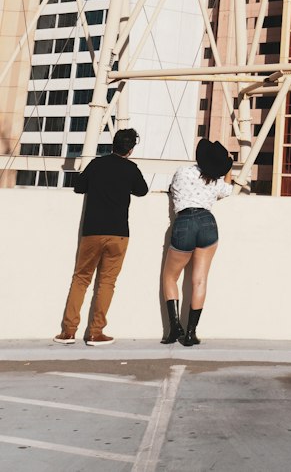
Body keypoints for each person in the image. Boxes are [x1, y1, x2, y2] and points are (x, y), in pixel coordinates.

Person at [53, 127, 148, 347]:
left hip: (92, 231)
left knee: (81, 279)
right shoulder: (131, 168)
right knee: (107, 283)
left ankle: (68, 332)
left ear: (112, 144)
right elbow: (142, 191)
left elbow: (78, 187)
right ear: (131, 149)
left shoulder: (96, 164)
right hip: (119, 234)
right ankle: (95, 333)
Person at [161, 138, 234, 348]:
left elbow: (173, 191)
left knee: (170, 277)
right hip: (208, 223)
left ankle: (175, 328)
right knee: (200, 280)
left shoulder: (183, 172)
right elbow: (229, 190)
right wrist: (225, 170)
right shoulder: (216, 181)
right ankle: (191, 333)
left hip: (185, 221)